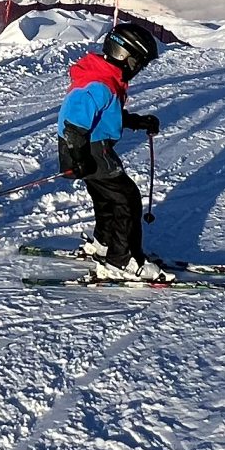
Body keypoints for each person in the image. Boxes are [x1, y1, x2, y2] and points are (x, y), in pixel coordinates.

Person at [55, 19, 163, 279]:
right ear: (124, 55)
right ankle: (122, 260)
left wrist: (137, 121)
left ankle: (104, 245)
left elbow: (106, 117)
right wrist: (79, 157)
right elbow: (75, 124)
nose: (139, 69)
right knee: (126, 199)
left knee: (106, 198)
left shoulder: (105, 77)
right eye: (138, 62)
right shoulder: (100, 84)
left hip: (88, 146)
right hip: (87, 149)